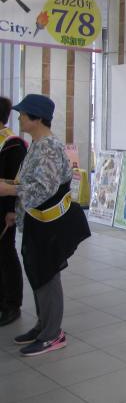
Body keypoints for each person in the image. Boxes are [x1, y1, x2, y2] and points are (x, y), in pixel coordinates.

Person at [0, 94, 90, 356]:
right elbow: (30, 182)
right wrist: (13, 188)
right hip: (37, 222)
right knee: (37, 273)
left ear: (37, 118)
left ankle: (53, 333)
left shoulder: (48, 147)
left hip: (49, 223)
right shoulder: (37, 144)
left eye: (24, 114)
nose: (19, 118)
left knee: (47, 276)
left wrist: (8, 190)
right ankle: (43, 325)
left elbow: (44, 188)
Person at [0, 97, 27, 327]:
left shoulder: (13, 143)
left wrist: (10, 211)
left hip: (3, 209)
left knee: (6, 253)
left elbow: (15, 181)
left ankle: (12, 304)